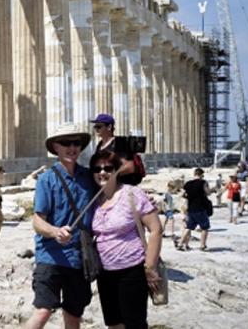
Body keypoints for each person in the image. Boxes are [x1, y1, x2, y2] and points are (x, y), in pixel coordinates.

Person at [25, 123, 95, 329]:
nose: (72, 147)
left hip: (80, 258)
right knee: (43, 310)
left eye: (76, 143)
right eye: (66, 143)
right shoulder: (46, 179)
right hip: (51, 256)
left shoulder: (89, 177)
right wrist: (55, 232)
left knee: (74, 315)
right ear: (55, 146)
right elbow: (37, 220)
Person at [90, 149, 163, 329]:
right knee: (113, 324)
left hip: (132, 270)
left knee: (134, 324)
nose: (102, 172)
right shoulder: (93, 199)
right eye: (97, 169)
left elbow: (156, 230)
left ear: (117, 170)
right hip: (105, 273)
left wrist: (150, 266)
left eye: (108, 168)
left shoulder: (132, 194)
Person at [178, 168, 212, 252]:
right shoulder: (203, 183)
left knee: (189, 227)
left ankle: (180, 243)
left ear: (194, 174)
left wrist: (190, 197)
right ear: (201, 175)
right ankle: (202, 245)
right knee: (205, 227)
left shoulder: (188, 184)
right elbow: (208, 193)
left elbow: (183, 195)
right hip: (200, 208)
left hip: (191, 208)